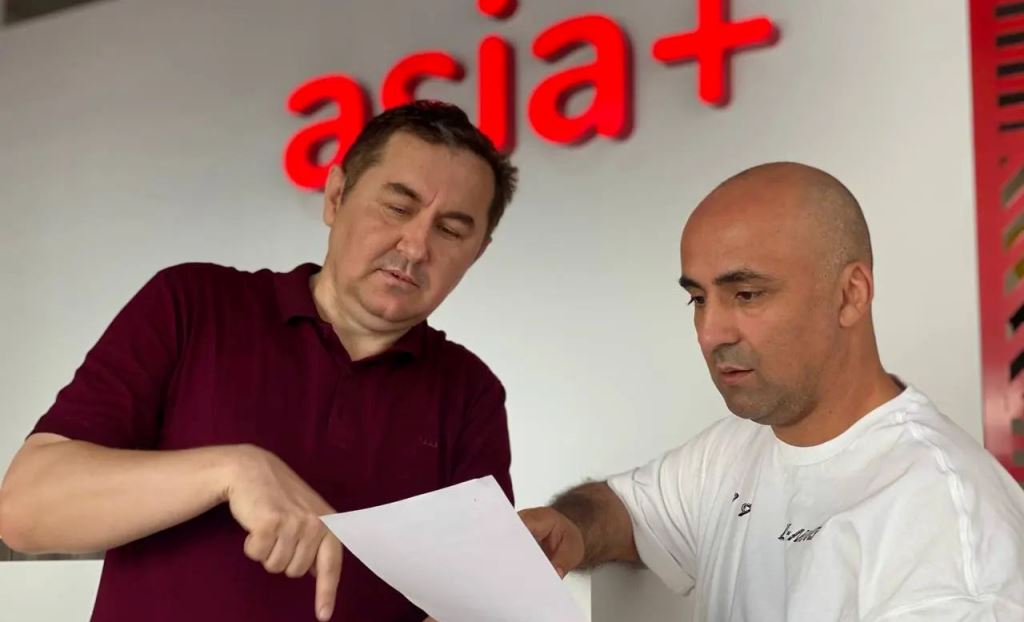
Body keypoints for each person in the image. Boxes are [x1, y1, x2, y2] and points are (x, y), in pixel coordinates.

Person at [0, 100, 518, 622]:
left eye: (451, 231)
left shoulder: (470, 393)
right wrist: (230, 471)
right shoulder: (193, 303)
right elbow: (24, 510)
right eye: (398, 208)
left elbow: (473, 602)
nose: (416, 245)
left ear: (477, 253)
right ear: (336, 196)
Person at [521, 162, 1024, 620]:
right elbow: (625, 511)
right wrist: (571, 527)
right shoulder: (733, 451)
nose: (710, 333)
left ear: (850, 295)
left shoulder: (946, 533)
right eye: (698, 299)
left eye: (746, 295)